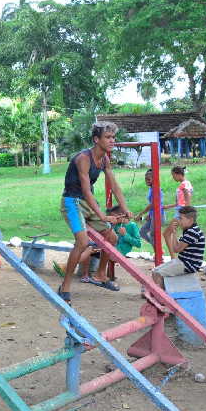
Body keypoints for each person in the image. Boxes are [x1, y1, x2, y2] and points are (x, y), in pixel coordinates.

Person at [58, 121, 130, 303]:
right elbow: (86, 190)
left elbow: (114, 185)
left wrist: (125, 208)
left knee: (112, 238)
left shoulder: (105, 159)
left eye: (113, 137)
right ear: (96, 139)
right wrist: (102, 215)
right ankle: (65, 286)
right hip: (72, 202)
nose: (112, 140)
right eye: (108, 137)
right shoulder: (84, 158)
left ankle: (100, 275)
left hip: (88, 203)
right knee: (82, 242)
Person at [151, 206, 205, 289]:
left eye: (181, 218)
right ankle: (162, 291)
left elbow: (176, 249)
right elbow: (176, 247)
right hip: (183, 262)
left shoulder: (192, 232)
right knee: (155, 271)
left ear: (190, 220)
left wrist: (173, 233)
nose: (179, 221)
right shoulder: (189, 230)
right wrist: (173, 233)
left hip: (189, 265)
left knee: (158, 273)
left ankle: (162, 295)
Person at [163, 166, 193, 258]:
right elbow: (178, 202)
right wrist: (167, 206)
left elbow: (187, 196)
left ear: (178, 174)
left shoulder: (184, 184)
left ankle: (173, 257)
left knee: (167, 233)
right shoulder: (184, 184)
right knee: (171, 233)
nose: (173, 178)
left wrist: (186, 211)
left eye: (173, 175)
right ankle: (175, 256)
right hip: (180, 212)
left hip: (181, 213)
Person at [136, 169, 166, 255]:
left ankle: (158, 253)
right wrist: (149, 215)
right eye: (146, 179)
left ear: (154, 179)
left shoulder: (156, 189)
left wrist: (141, 214)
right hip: (153, 215)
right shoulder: (151, 188)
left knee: (154, 235)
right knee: (142, 232)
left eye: (149, 179)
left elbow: (153, 204)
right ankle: (158, 250)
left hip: (158, 215)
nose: (146, 181)